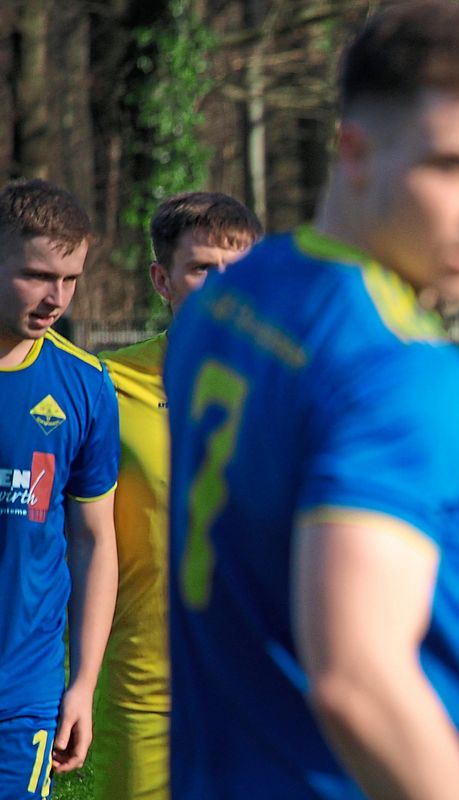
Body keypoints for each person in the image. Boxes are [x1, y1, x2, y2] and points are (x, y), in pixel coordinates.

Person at [162, 3, 459, 799]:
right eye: (453, 165)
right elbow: (359, 678)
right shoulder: (399, 371)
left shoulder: (229, 303)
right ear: (355, 153)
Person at [93, 192, 262, 800]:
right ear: (162, 279)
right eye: (201, 269)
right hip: (147, 694)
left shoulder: (295, 386)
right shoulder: (103, 387)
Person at [0, 179, 119, 797]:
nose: (56, 298)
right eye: (38, 275)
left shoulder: (84, 385)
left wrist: (83, 683)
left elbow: (95, 540)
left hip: (25, 693)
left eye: (70, 279)